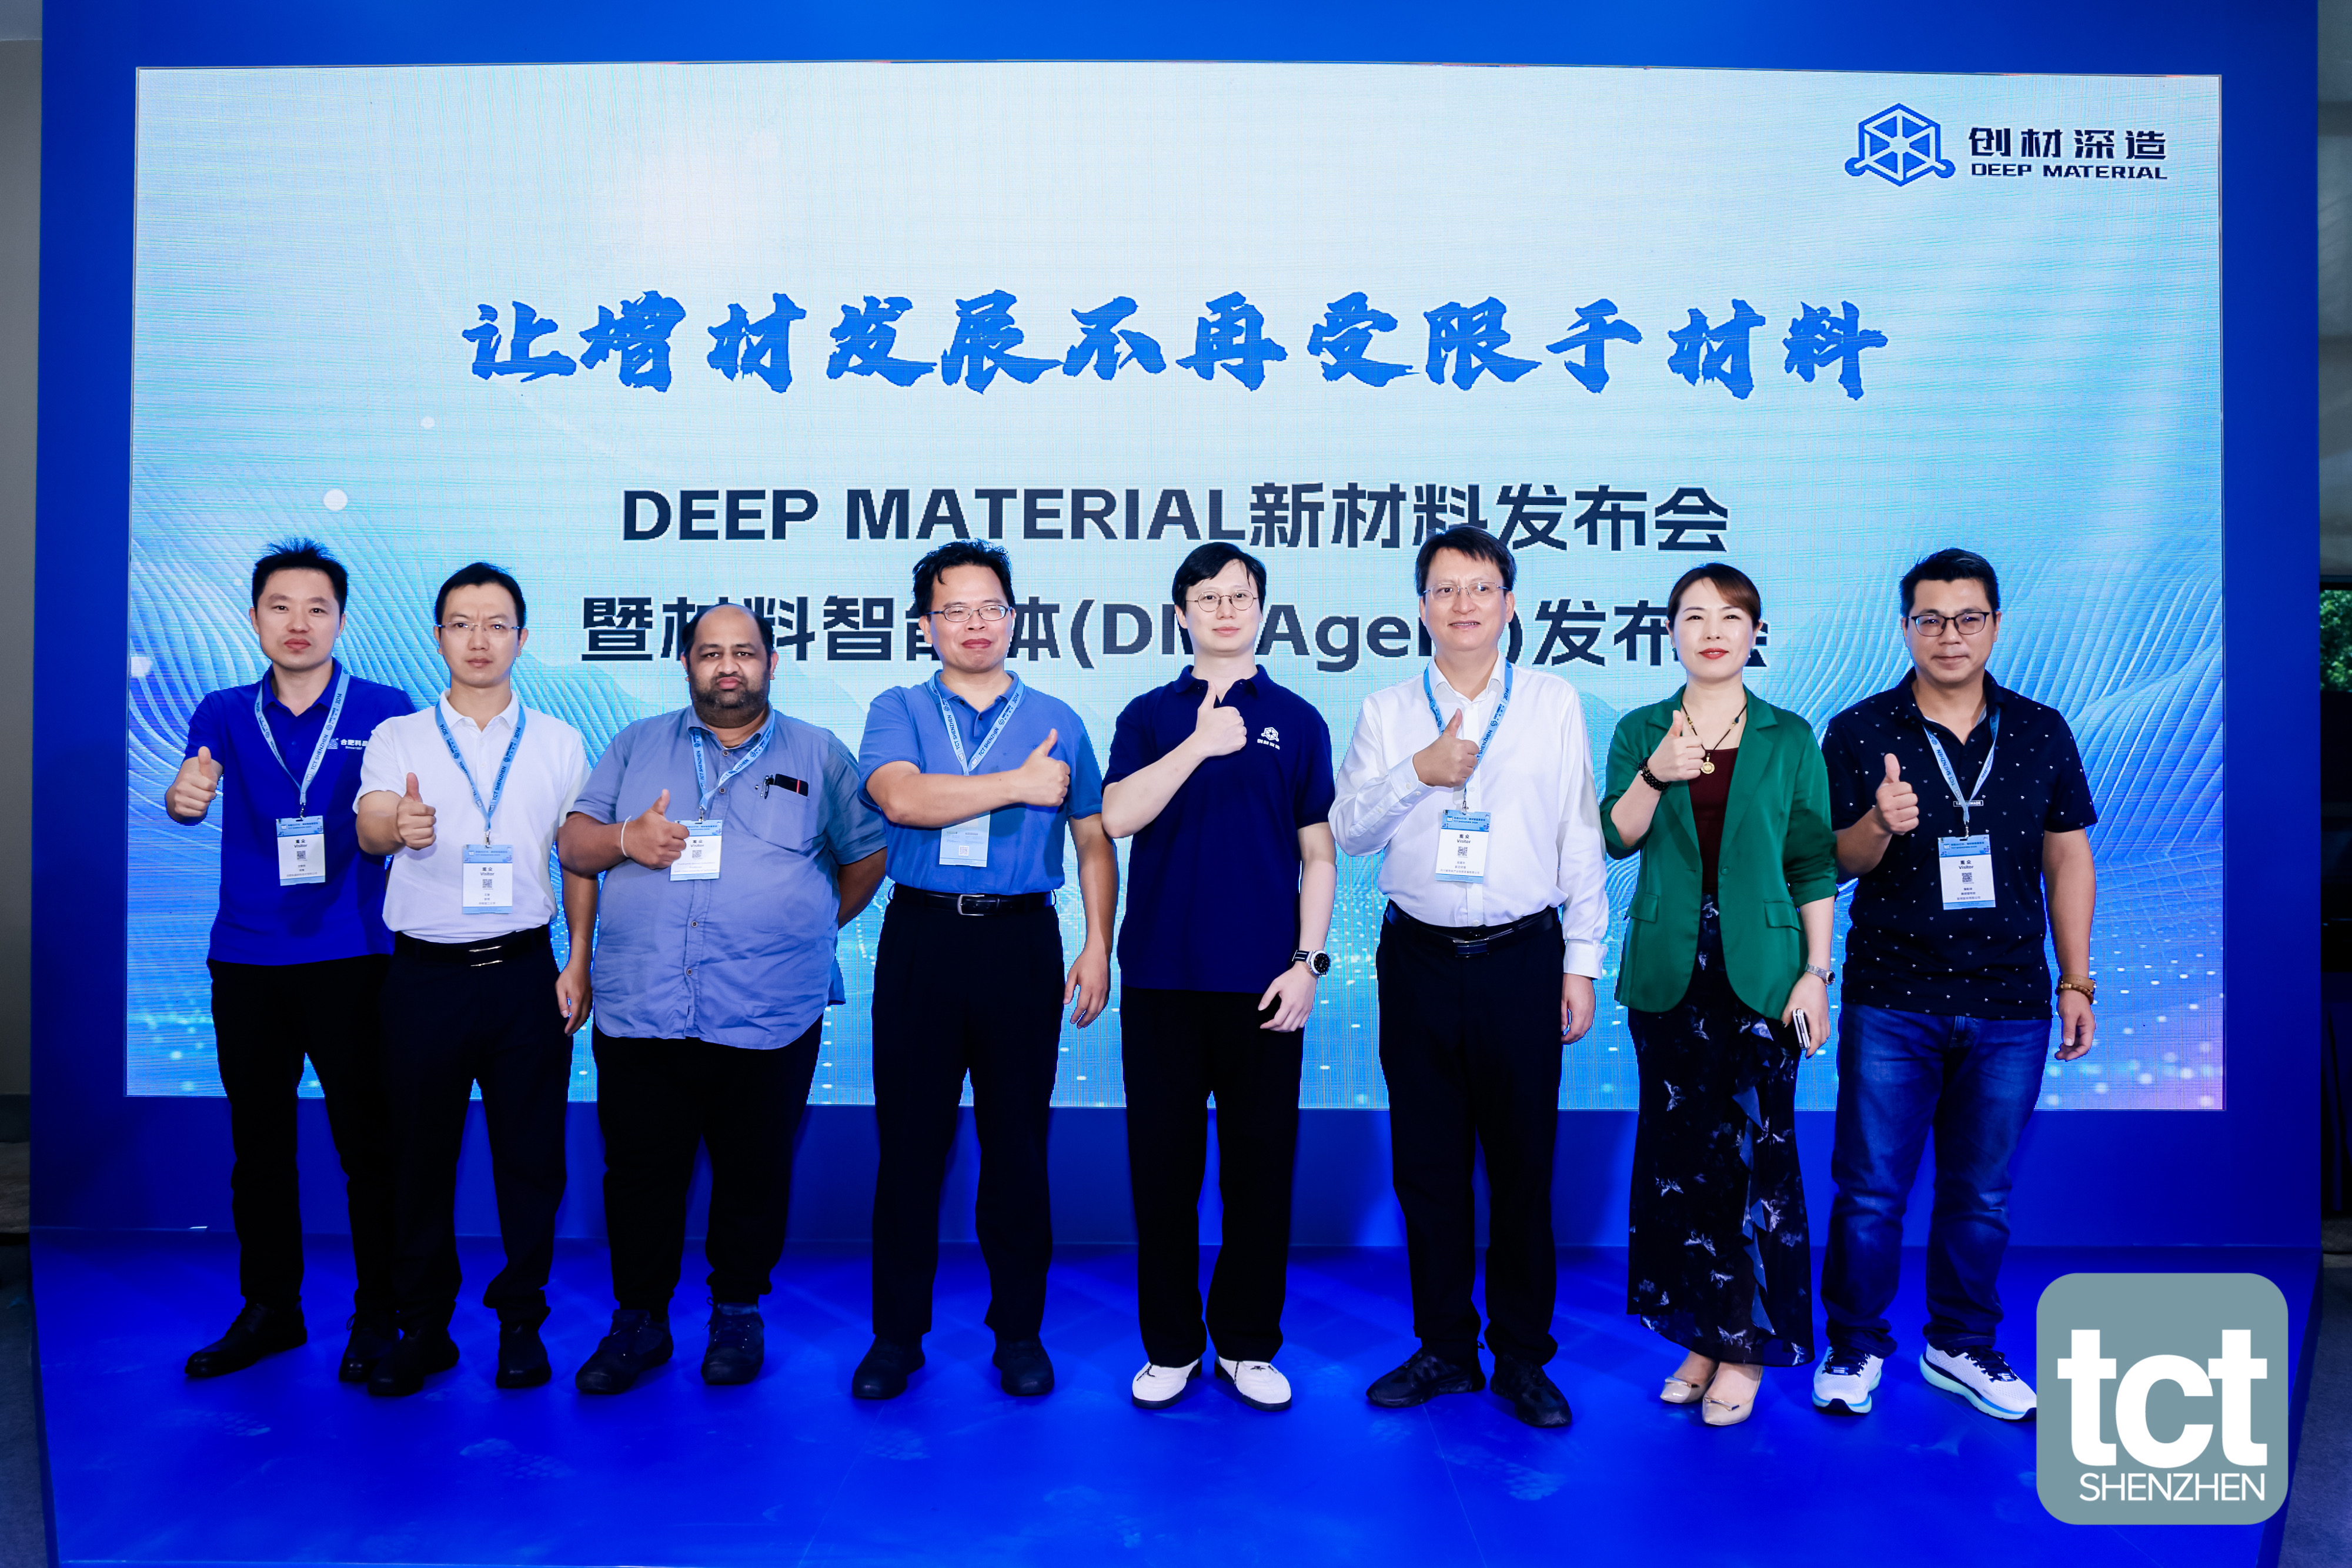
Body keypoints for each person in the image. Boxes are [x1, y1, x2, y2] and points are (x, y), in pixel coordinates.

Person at [555, 603, 886, 1393]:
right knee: (640, 1175)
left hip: (770, 1007)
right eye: (710, 653)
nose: (727, 667)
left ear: (771, 663)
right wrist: (627, 839)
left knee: (754, 1171)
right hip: (643, 1004)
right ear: (687, 664)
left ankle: (737, 1311)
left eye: (744, 652)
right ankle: (639, 1321)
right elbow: (573, 844)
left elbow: (866, 856)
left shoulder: (820, 752)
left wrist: (804, 925)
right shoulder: (635, 745)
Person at [1331, 524, 1606, 1429]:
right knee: (1429, 1167)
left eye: (1482, 588)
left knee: (1524, 1167)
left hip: (1524, 957)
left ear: (1509, 604)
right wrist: (1420, 771)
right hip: (1417, 958)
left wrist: (1580, 961)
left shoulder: (1553, 701)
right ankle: (1446, 1348)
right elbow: (1349, 831)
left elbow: (1579, 834)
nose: (1464, 605)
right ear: (1421, 607)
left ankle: (1522, 1357)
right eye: (1445, 589)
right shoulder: (1386, 710)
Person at [1812, 548, 2097, 1423]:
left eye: (1968, 618)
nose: (1950, 635)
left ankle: (1962, 1345)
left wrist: (2076, 981)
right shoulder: (1859, 731)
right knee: (1870, 1193)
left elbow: (2067, 857)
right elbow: (1833, 861)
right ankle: (1855, 1346)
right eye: (1930, 619)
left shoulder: (2041, 729)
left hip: (2011, 1000)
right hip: (1893, 994)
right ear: (1905, 628)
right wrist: (1877, 822)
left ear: (1995, 626)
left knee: (1982, 1195)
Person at [851, 540, 1117, 1400]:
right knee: (909, 1149)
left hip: (1020, 943)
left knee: (1017, 1148)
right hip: (922, 939)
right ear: (925, 625)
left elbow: (1091, 838)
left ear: (1013, 616)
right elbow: (902, 798)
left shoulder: (1058, 717)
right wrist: (1016, 785)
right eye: (954, 610)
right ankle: (896, 1337)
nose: (975, 624)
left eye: (990, 608)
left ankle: (1020, 1334)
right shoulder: (897, 708)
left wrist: (1098, 943)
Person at [168, 540, 415, 1382]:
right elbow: (189, 788)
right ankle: (272, 1309)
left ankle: (378, 1316)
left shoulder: (385, 709)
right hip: (246, 957)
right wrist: (183, 797)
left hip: (355, 953)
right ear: (254, 620)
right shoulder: (224, 711)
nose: (298, 623)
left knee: (367, 1146)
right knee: (260, 1147)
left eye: (316, 608)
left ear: (341, 621)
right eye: (280, 607)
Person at [1101, 543, 1337, 1414]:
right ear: (1182, 615)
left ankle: (1245, 1344)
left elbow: (1319, 854)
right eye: (1209, 597)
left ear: (1261, 610)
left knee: (1259, 1172)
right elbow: (1116, 816)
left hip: (1266, 986)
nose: (1226, 610)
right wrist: (1198, 745)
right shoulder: (1149, 714)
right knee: (1162, 1173)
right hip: (1162, 979)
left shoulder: (1298, 719)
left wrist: (1308, 963)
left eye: (1241, 596)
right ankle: (1170, 1347)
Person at [352, 562, 597, 1397]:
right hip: (425, 978)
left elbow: (576, 859)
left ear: (521, 639)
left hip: (527, 973)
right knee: (418, 1157)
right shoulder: (401, 737)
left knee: (531, 1159)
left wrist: (579, 959)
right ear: (438, 638)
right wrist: (398, 823)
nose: (479, 640)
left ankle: (521, 1320)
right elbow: (370, 826)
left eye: (496, 625)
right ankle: (424, 1327)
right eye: (461, 623)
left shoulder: (560, 742)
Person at [1600, 563, 1835, 1428]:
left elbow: (1811, 864)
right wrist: (1656, 773)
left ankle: (1746, 1349)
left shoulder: (1788, 736)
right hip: (1669, 973)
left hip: (1766, 975)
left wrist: (1816, 973)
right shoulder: (1641, 729)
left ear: (1754, 634)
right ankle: (1704, 1335)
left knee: (1757, 1158)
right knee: (1681, 1162)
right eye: (1694, 616)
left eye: (1731, 616)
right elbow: (1614, 838)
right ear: (1670, 632)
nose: (1712, 631)